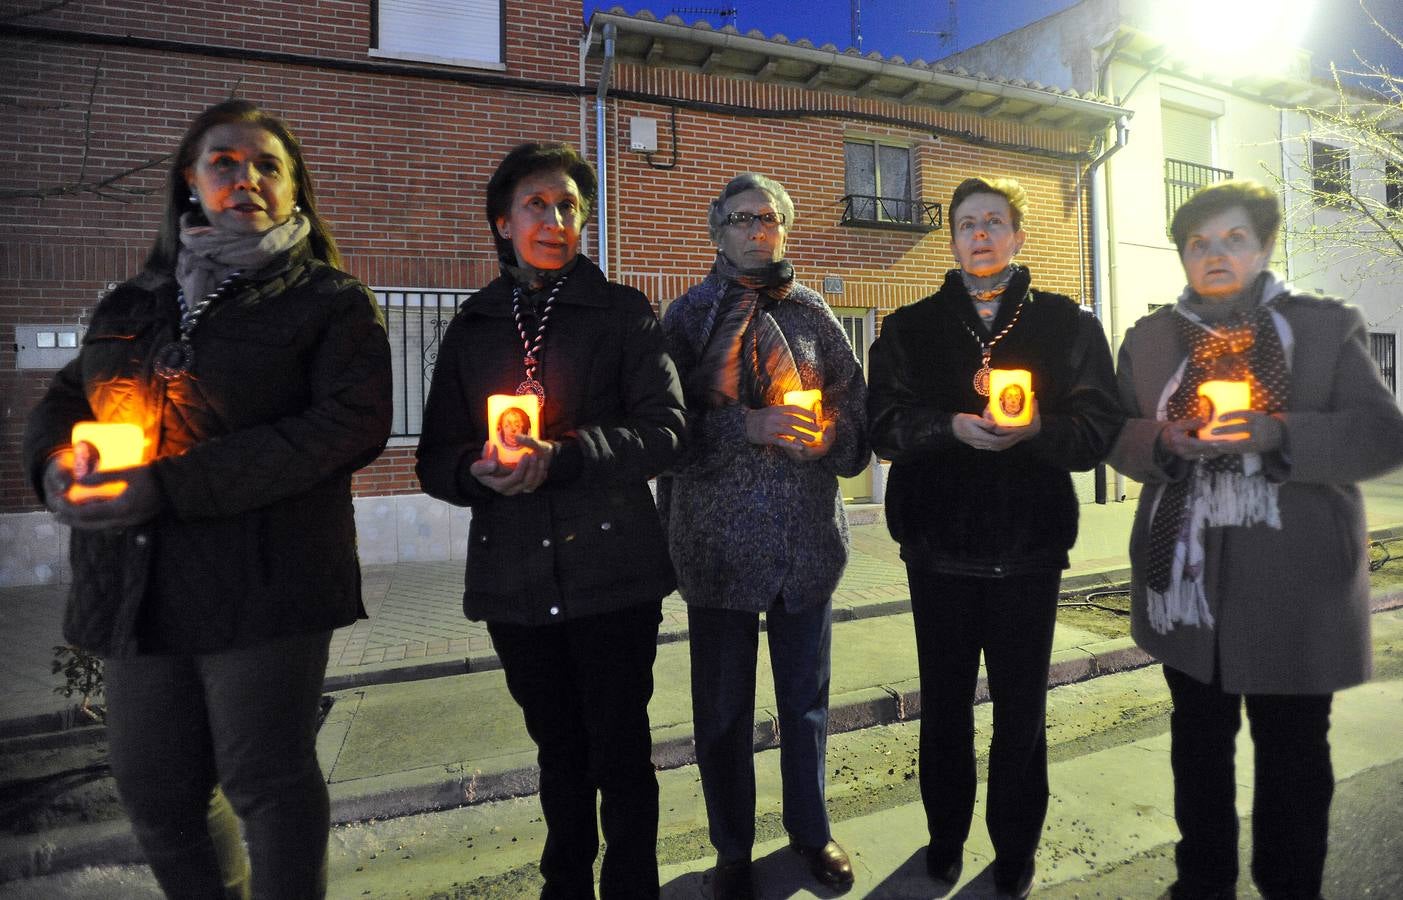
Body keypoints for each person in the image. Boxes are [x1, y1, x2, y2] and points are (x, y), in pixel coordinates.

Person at [22, 98, 393, 898]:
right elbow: (64, 399)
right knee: (156, 793)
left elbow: (348, 426)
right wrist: (54, 465)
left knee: (265, 781)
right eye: (224, 161)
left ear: (295, 190)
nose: (247, 177)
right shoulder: (135, 302)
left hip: (264, 582)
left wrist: (170, 486)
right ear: (189, 182)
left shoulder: (329, 300)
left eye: (268, 165)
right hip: (136, 582)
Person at [1107, 179, 1403, 900]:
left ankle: (1288, 885)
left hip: (1295, 587)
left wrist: (1278, 433)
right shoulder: (1148, 340)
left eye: (1232, 238)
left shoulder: (1324, 327)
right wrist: (1160, 441)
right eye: (1198, 242)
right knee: (1197, 748)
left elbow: (1380, 434)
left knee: (1293, 755)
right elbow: (1115, 436)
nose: (1214, 254)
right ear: (1181, 253)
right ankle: (1201, 881)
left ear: (1264, 245)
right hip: (1188, 592)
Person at [415, 142, 686, 899]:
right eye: (536, 204)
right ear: (503, 222)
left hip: (613, 573)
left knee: (620, 751)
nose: (555, 219)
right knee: (558, 749)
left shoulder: (624, 313)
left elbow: (668, 430)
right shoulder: (472, 327)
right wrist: (473, 472)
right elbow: (434, 455)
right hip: (516, 578)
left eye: (568, 207)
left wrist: (563, 456)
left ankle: (632, 886)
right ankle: (564, 883)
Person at [867, 176, 1121, 897]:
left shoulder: (1066, 325)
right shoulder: (910, 325)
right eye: (966, 223)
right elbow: (881, 421)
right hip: (937, 549)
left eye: (993, 222)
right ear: (950, 239)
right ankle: (944, 837)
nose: (979, 235)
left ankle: (1014, 846)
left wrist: (1040, 429)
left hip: (1028, 550)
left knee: (1021, 710)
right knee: (943, 705)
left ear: (1017, 234)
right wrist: (946, 427)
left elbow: (1098, 426)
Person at [658, 173, 869, 899]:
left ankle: (811, 835)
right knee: (721, 715)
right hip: (715, 549)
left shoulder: (813, 315)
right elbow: (662, 433)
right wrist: (744, 425)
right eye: (744, 218)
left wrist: (829, 440)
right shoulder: (685, 318)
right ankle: (732, 849)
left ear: (786, 229)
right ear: (716, 229)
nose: (758, 230)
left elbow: (854, 416)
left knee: (806, 707)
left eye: (772, 218)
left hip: (803, 546)